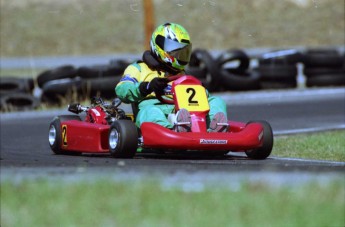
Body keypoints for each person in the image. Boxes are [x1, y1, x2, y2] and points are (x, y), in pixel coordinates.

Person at [115, 22, 228, 132]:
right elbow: (121, 90)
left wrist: (202, 92)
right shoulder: (139, 68)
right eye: (175, 51)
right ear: (160, 46)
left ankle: (215, 129)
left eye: (183, 52)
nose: (179, 56)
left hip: (184, 112)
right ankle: (170, 131)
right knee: (150, 112)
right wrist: (147, 87)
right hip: (155, 109)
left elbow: (197, 96)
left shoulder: (182, 74)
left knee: (216, 101)